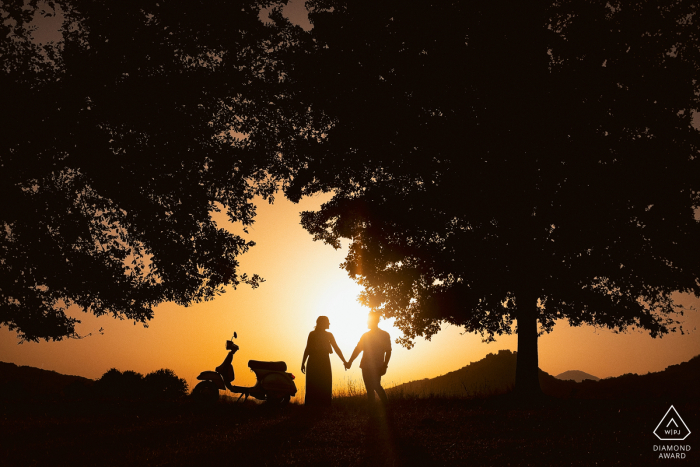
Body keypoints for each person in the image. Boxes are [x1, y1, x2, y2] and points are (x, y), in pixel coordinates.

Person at [345, 311, 392, 409]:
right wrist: (350, 361)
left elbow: (388, 351)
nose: (367, 322)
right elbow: (358, 349)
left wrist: (385, 365)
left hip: (376, 365)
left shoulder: (384, 335)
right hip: (366, 365)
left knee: (375, 386)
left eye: (368, 321)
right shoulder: (366, 335)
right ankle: (374, 409)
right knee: (370, 388)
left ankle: (386, 406)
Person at [301, 316, 347, 406]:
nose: (329, 324)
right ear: (322, 323)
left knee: (324, 382)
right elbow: (308, 348)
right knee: (315, 383)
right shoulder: (313, 334)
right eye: (327, 322)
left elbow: (336, 348)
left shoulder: (328, 335)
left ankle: (322, 405)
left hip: (321, 360)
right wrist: (303, 362)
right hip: (316, 361)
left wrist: (344, 361)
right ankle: (314, 406)